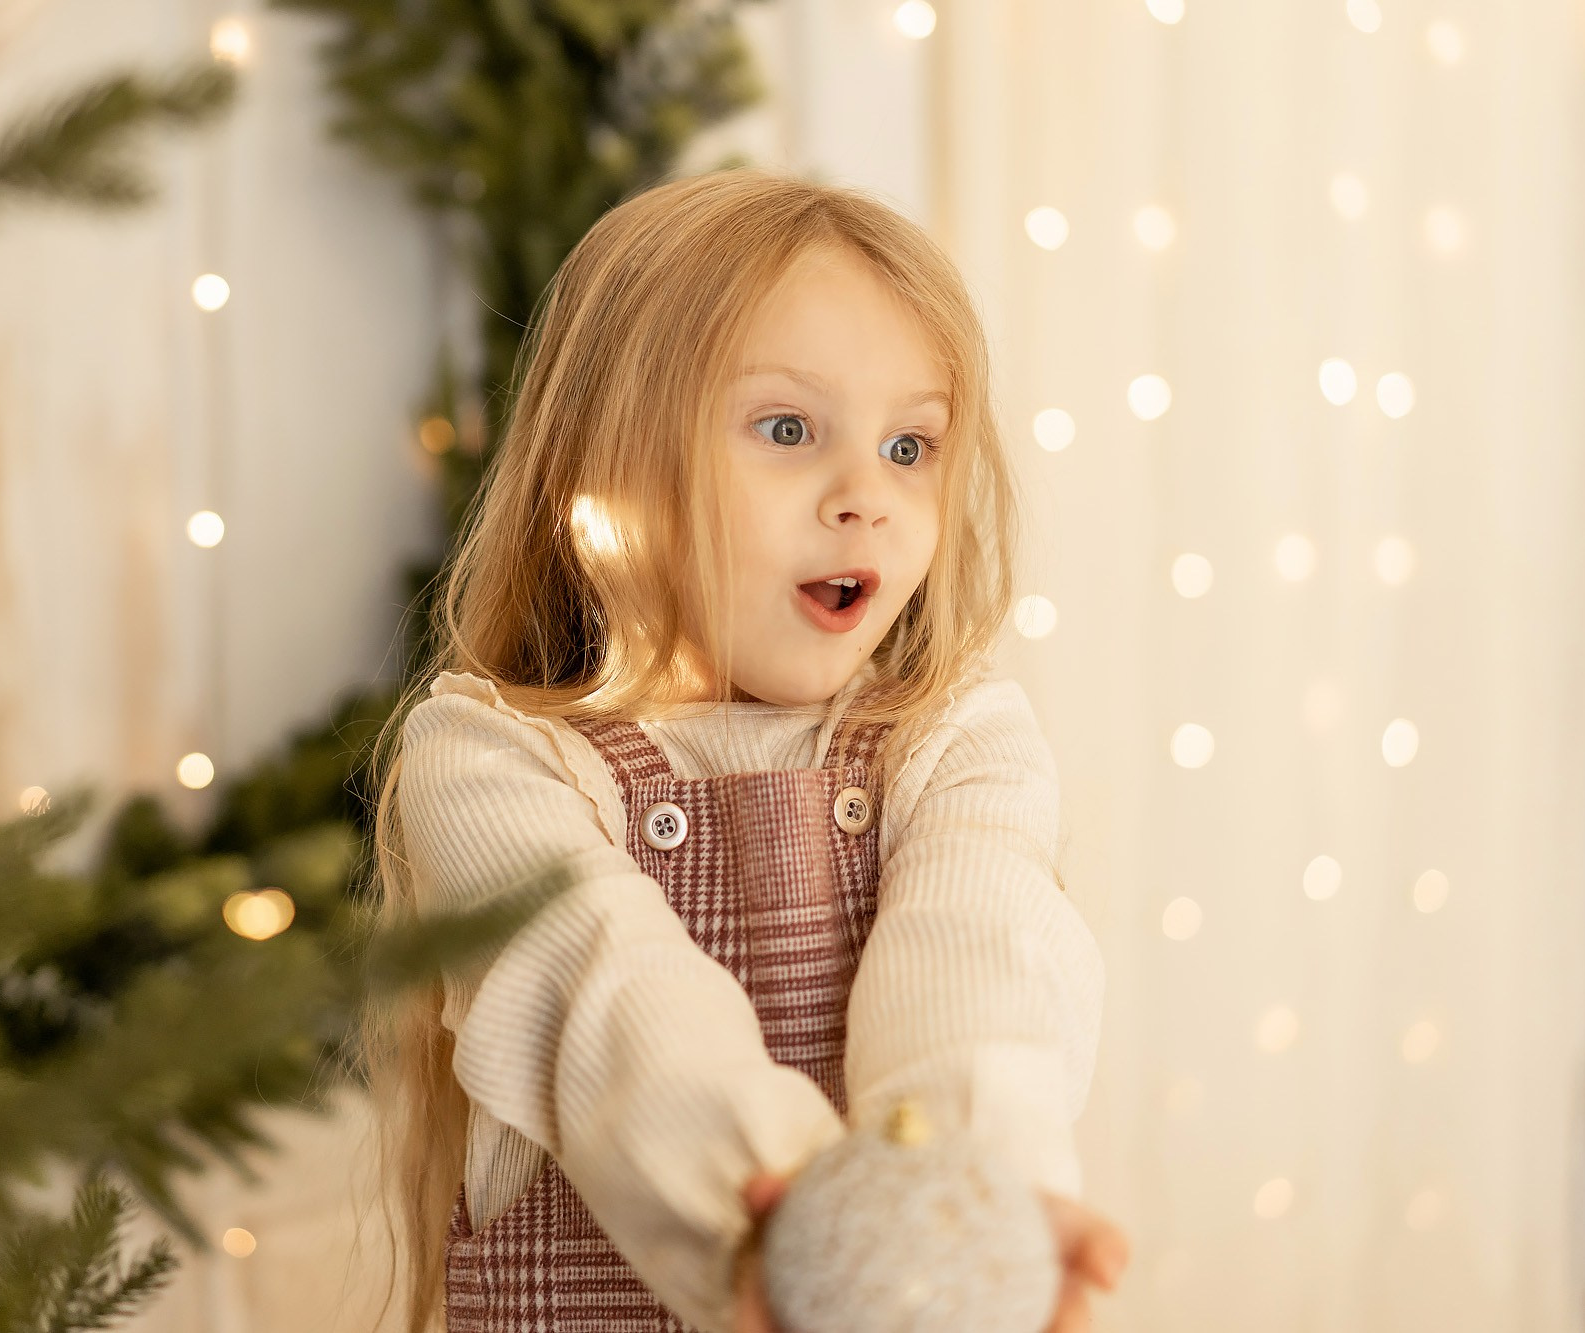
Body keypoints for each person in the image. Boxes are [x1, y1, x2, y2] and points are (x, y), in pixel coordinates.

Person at [363, 167, 1130, 1333]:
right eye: (786, 428)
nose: (864, 495)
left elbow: (980, 973)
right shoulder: (490, 759)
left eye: (910, 446)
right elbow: (616, 1008)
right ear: (606, 468)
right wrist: (784, 1231)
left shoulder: (955, 740)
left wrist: (975, 1214)